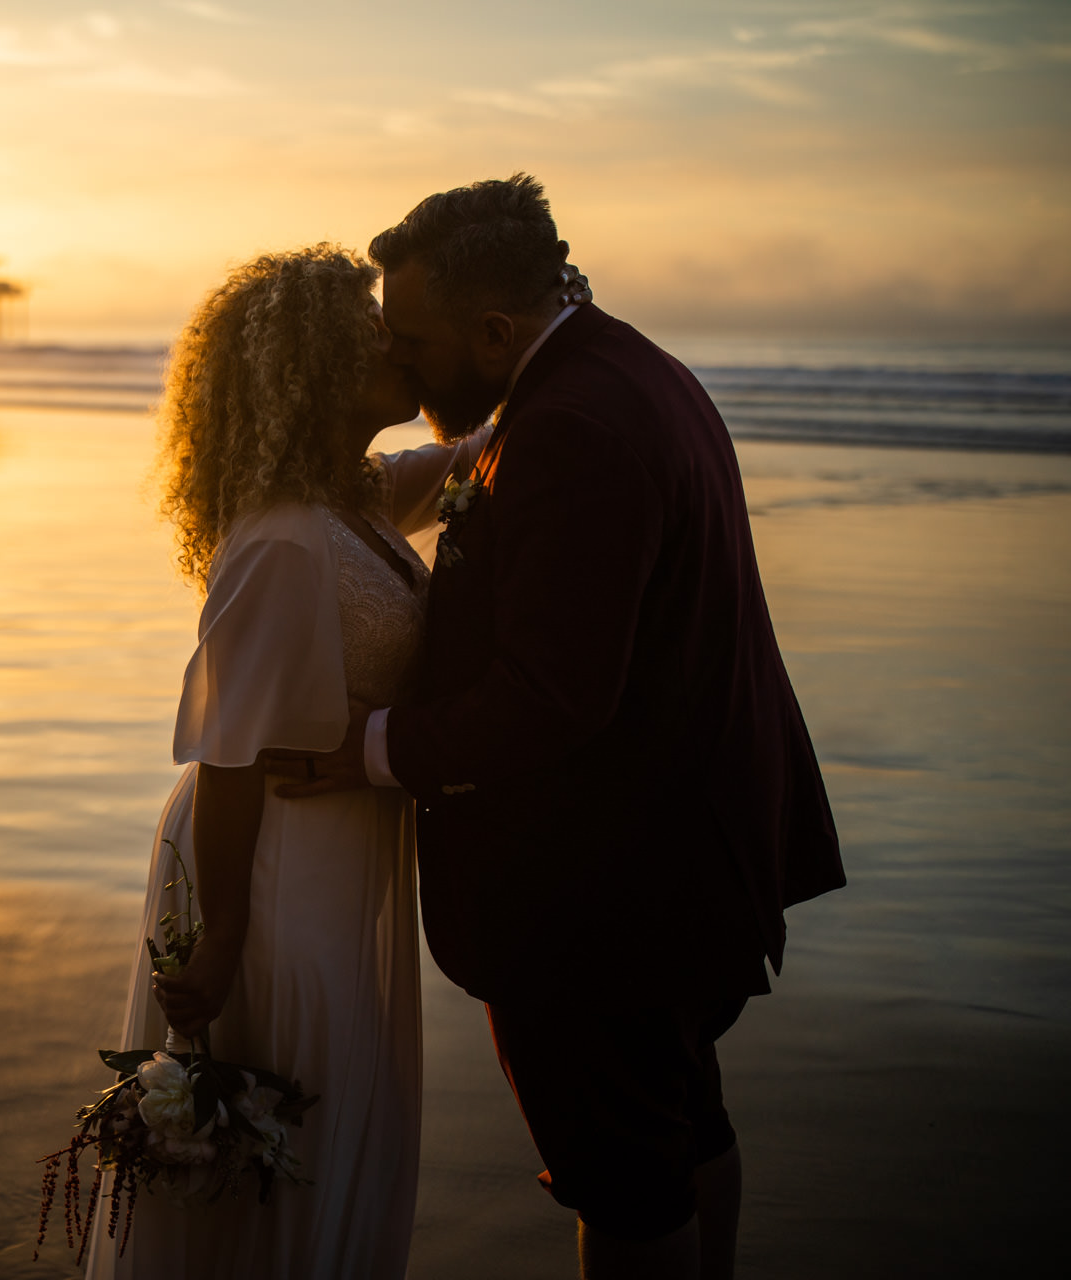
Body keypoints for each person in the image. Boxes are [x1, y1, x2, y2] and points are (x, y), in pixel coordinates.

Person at [265, 175, 846, 1280]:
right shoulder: (622, 368)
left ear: (493, 329)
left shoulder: (573, 427)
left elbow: (552, 695)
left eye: (415, 341)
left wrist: (372, 746)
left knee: (624, 1176)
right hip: (684, 856)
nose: (402, 361)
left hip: (607, 894)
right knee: (681, 1125)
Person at [86, 244, 589, 1279]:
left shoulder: (347, 495)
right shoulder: (279, 538)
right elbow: (228, 753)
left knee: (324, 1111)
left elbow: (479, 449)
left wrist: (550, 324)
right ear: (313, 372)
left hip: (335, 849)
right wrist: (222, 932)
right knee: (289, 1119)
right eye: (372, 337)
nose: (396, 345)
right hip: (267, 864)